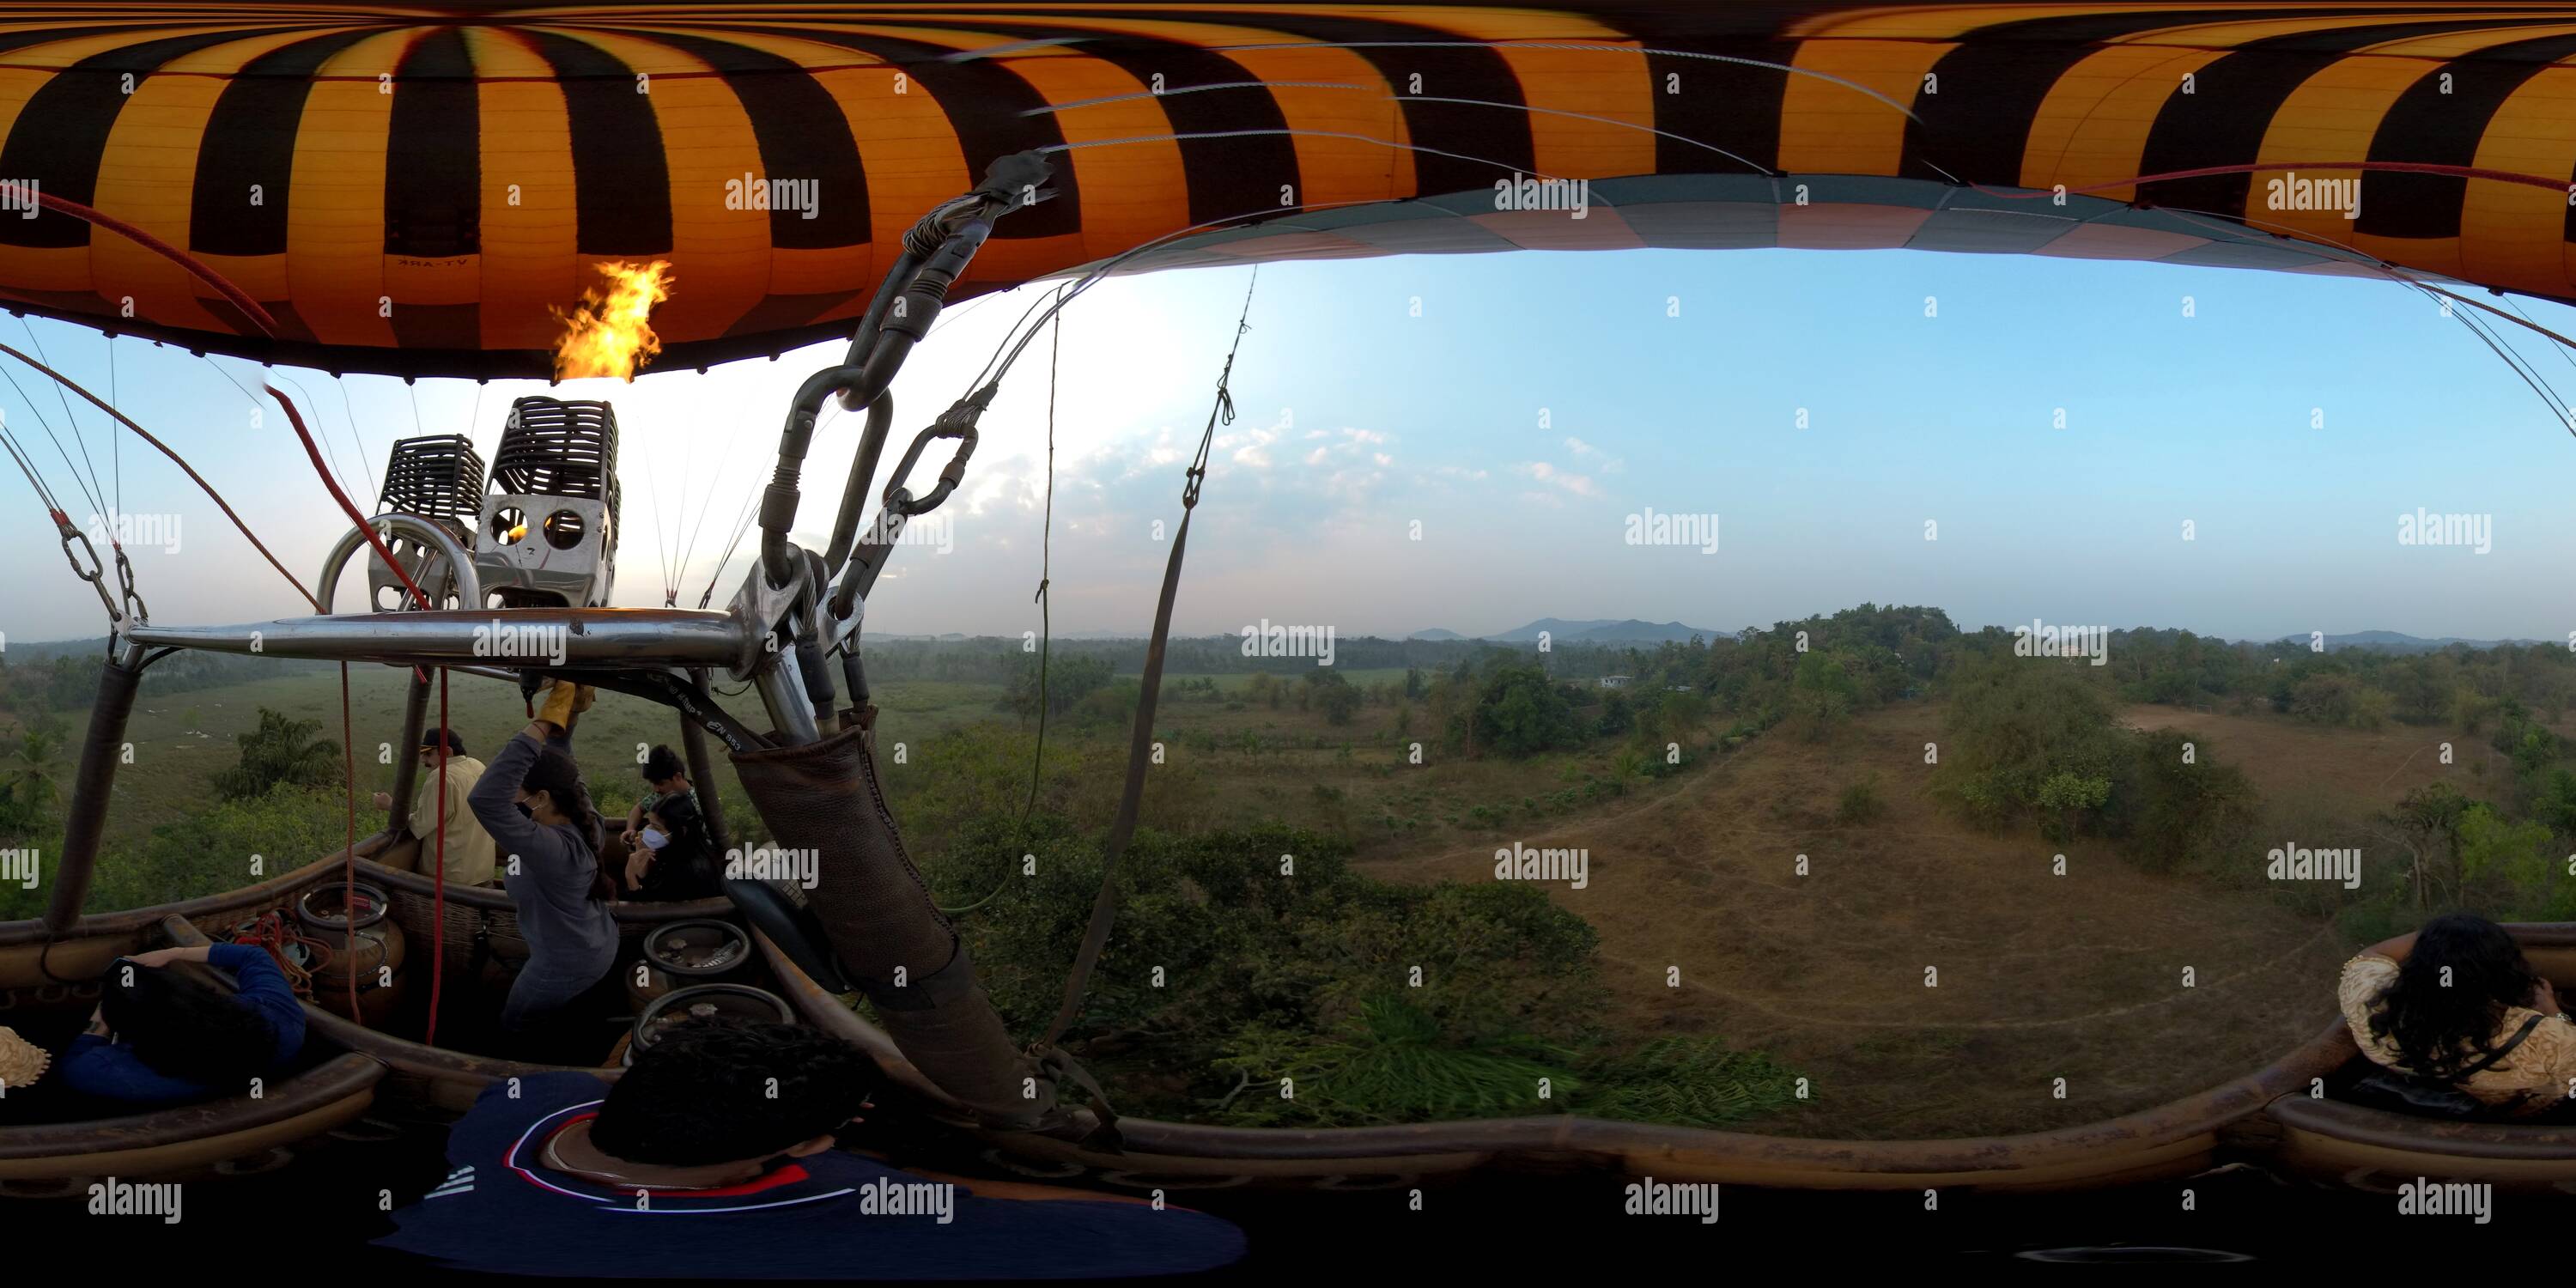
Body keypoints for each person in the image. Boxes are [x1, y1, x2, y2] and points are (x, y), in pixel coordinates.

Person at [378, 1019, 1246, 1279]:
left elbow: (583, 1084)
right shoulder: (843, 1212)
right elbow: (1201, 1239)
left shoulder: (520, 1109)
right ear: (808, 1143)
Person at [468, 681, 619, 1063]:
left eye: (520, 791)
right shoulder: (582, 817)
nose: (514, 797)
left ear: (542, 798)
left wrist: (541, 722)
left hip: (564, 962)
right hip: (596, 944)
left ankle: (525, 1078)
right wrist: (565, 719)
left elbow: (485, 799)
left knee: (515, 1024)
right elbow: (561, 759)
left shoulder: (554, 849)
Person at [2342, 912, 2576, 1115]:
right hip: (2509, 1121)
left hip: (2422, 1111)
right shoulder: (2546, 1038)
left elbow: (2372, 953)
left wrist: (2441, 938)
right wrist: (2553, 1010)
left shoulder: (2367, 998)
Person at [55, 944, 306, 1107]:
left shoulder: (115, 1075)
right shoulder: (279, 1016)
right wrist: (174, 953)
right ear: (195, 993)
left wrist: (100, 1020)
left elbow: (74, 1063)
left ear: (130, 1032)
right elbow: (253, 955)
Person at [372, 728, 499, 887]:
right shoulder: (477, 766)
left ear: (447, 752)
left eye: (428, 754)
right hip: (482, 872)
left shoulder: (441, 778)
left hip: (450, 879)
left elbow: (419, 826)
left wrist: (391, 806)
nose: (423, 760)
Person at [621, 745, 720, 902]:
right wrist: (631, 830)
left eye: (660, 783)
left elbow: (650, 909)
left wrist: (631, 877)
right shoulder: (661, 797)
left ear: (677, 777)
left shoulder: (698, 806)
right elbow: (639, 808)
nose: (656, 789)